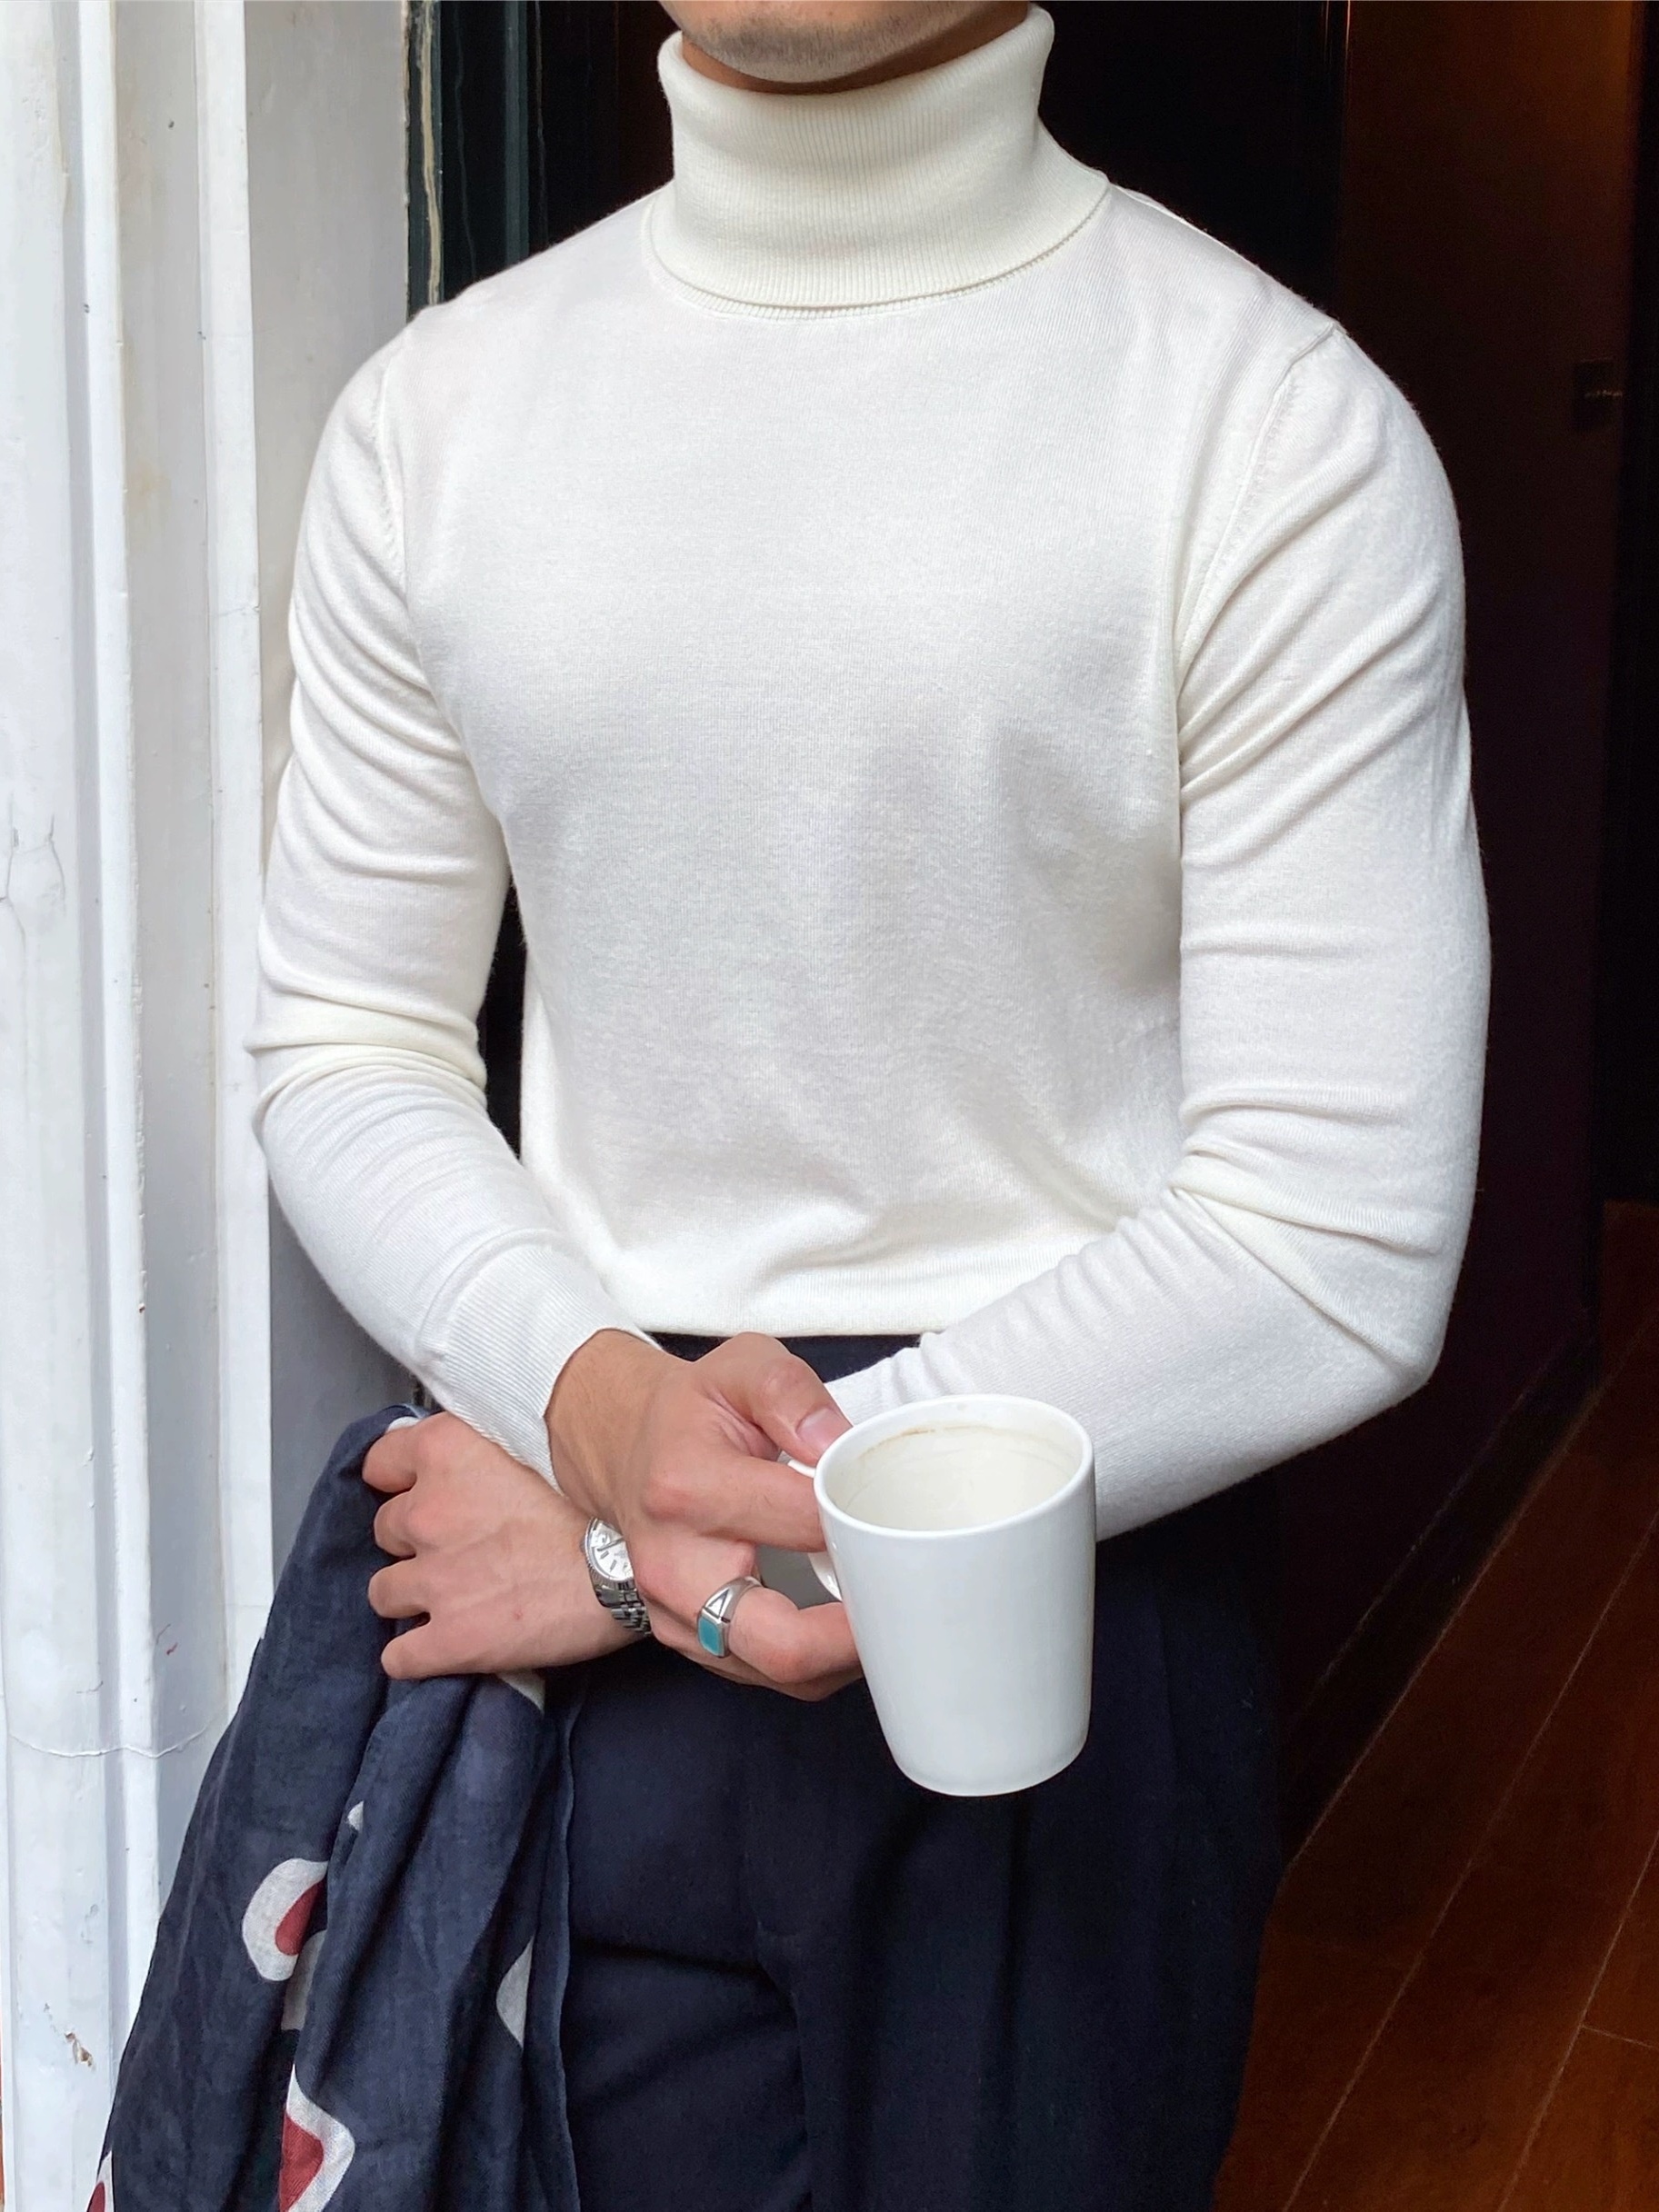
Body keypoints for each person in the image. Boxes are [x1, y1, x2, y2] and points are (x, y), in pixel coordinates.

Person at [250, 3, 1488, 2204]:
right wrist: (598, 1416)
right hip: (580, 1484)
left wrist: (641, 1544)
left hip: (1070, 1561)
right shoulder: (436, 417)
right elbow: (345, 1037)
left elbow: (1333, 1236)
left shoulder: (1270, 424)